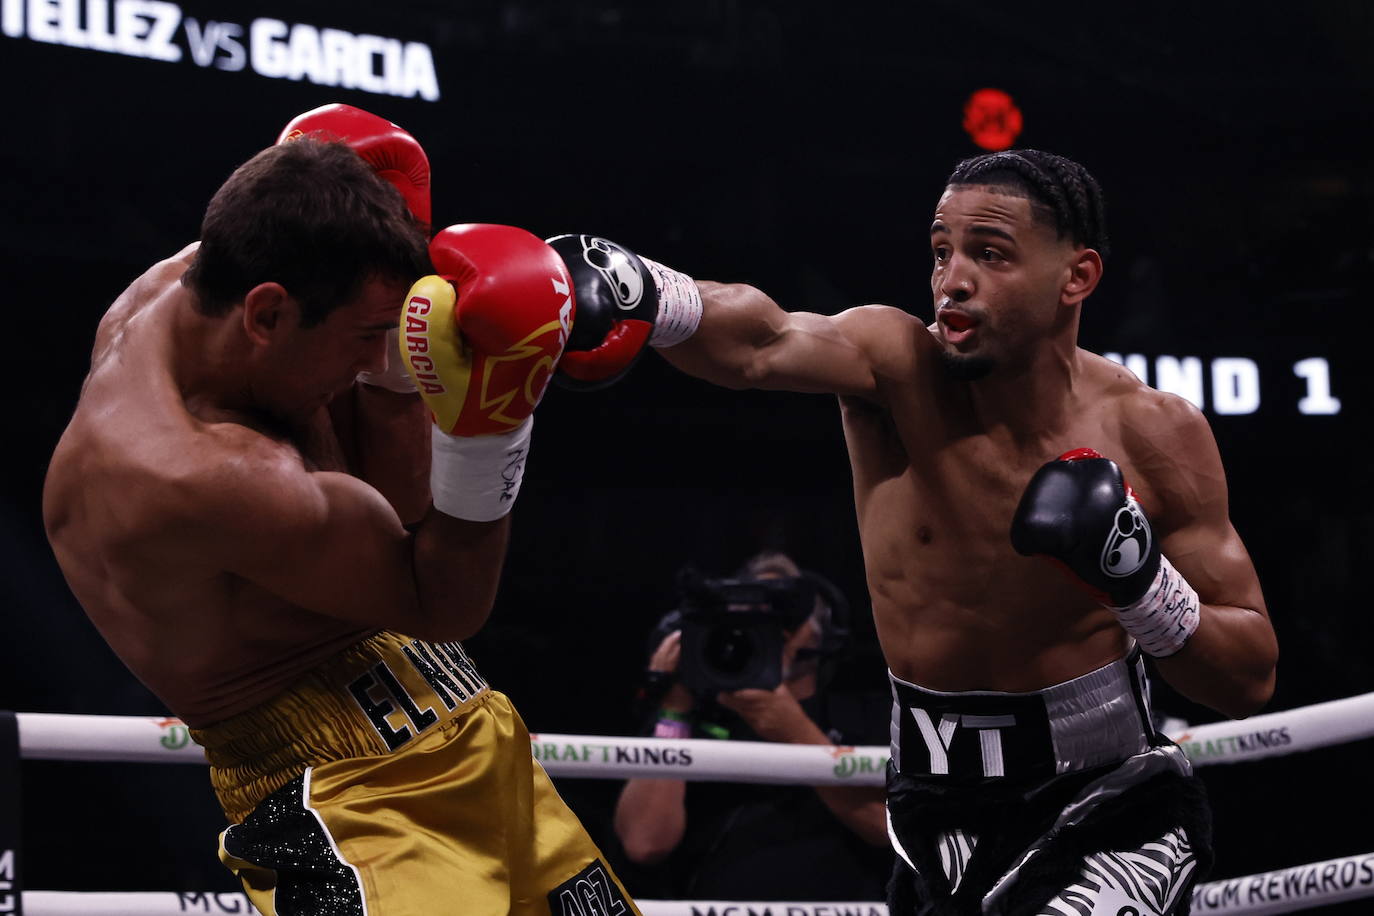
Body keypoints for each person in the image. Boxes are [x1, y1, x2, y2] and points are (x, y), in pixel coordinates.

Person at [552, 149, 1277, 914]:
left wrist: (1141, 583)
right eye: (941, 251)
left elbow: (1248, 676)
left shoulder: (1153, 432)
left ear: (1078, 278)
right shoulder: (895, 370)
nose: (952, 279)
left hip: (1110, 803)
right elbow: (758, 343)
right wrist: (646, 290)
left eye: (989, 254)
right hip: (932, 813)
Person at [42, 107, 639, 915]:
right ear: (267, 315)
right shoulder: (203, 474)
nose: (374, 359)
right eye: (367, 338)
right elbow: (446, 602)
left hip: (473, 728)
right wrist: (491, 428)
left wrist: (397, 356)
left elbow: (393, 502)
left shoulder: (215, 287)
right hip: (350, 802)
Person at [612, 551, 892, 901]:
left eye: (784, 608)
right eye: (750, 610)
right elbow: (644, 843)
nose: (769, 623)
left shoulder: (864, 716)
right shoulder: (696, 721)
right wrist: (673, 710)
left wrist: (795, 733)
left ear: (821, 633)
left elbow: (889, 829)